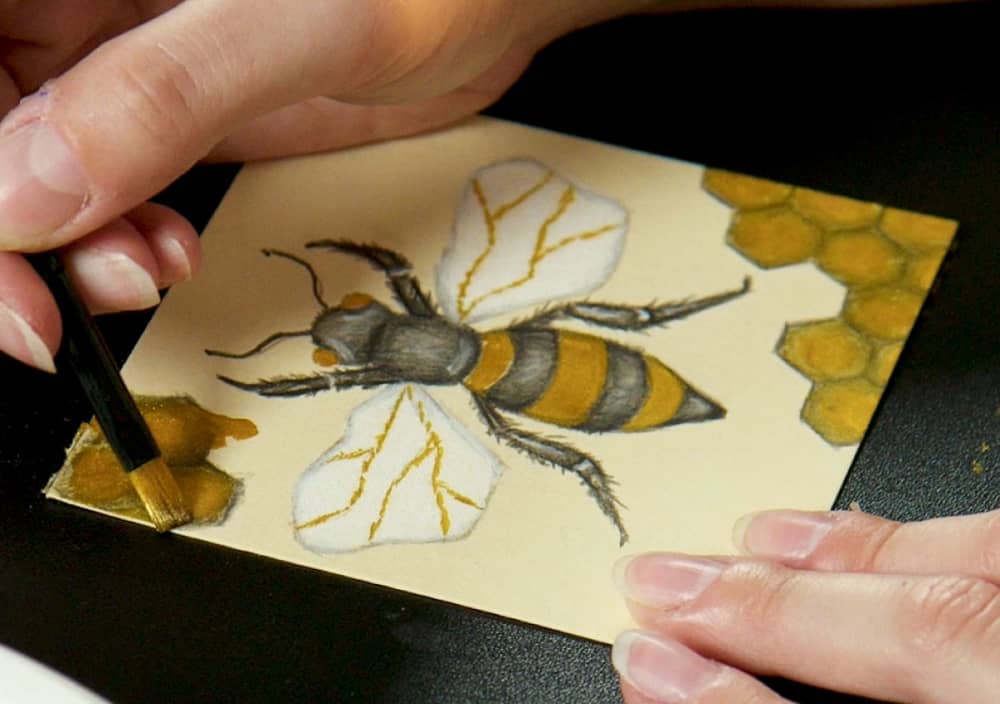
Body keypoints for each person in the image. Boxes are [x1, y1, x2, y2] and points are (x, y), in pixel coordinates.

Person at [0, 2, 993, 702]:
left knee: (572, 382)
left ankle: (636, 428)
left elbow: (362, 302)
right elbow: (386, 274)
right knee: (576, 361)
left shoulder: (392, 351)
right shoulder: (428, 312)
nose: (350, 322)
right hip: (530, 359)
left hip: (545, 369)